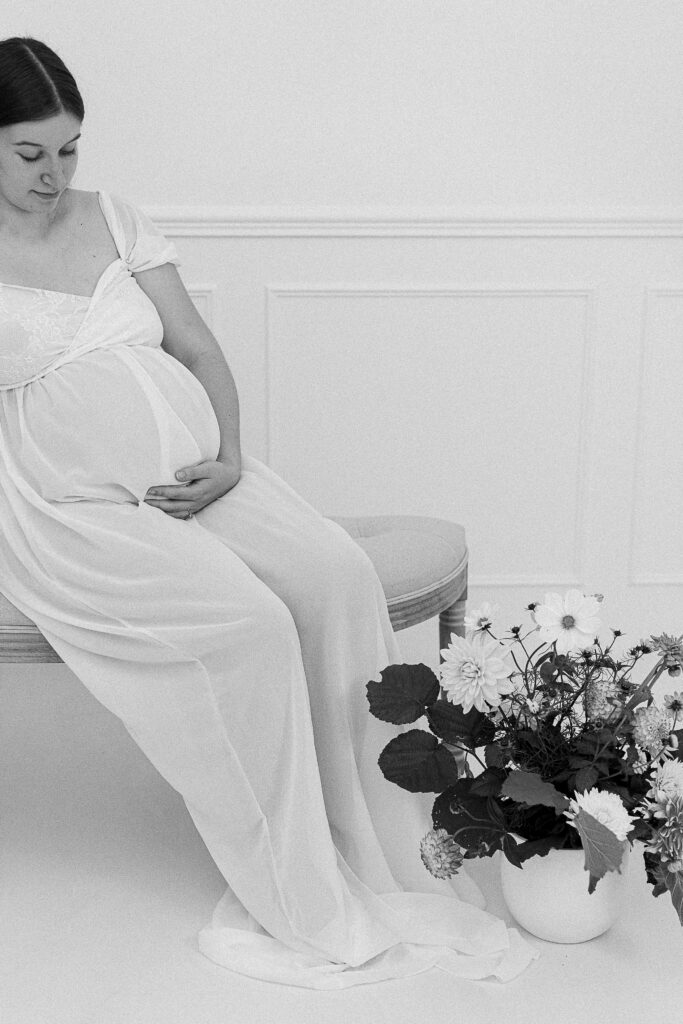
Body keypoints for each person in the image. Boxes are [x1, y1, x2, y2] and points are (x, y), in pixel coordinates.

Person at [0, 36, 536, 988]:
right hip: (65, 501)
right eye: (29, 152)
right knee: (245, 625)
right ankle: (296, 887)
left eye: (70, 147)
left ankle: (388, 842)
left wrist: (229, 458)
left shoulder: (114, 219)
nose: (56, 173)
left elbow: (199, 350)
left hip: (196, 475)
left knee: (333, 575)